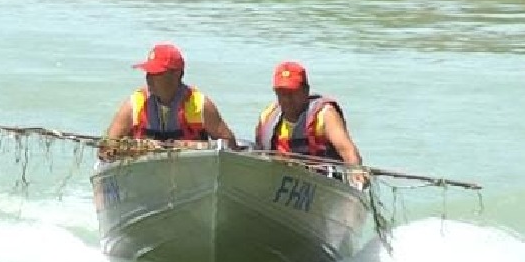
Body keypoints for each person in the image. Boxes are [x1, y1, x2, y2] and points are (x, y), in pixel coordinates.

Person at [101, 42, 239, 158]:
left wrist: (185, 146)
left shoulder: (200, 105)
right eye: (148, 72)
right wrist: (138, 147)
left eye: (156, 73)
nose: (148, 78)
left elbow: (230, 145)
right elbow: (104, 150)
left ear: (176, 74)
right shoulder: (134, 104)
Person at [253, 61, 367, 187]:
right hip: (280, 182)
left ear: (306, 91)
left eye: (293, 92)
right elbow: (259, 154)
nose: (287, 99)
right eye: (282, 93)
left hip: (322, 183)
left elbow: (348, 151)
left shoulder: (324, 115)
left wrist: (356, 171)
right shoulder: (268, 116)